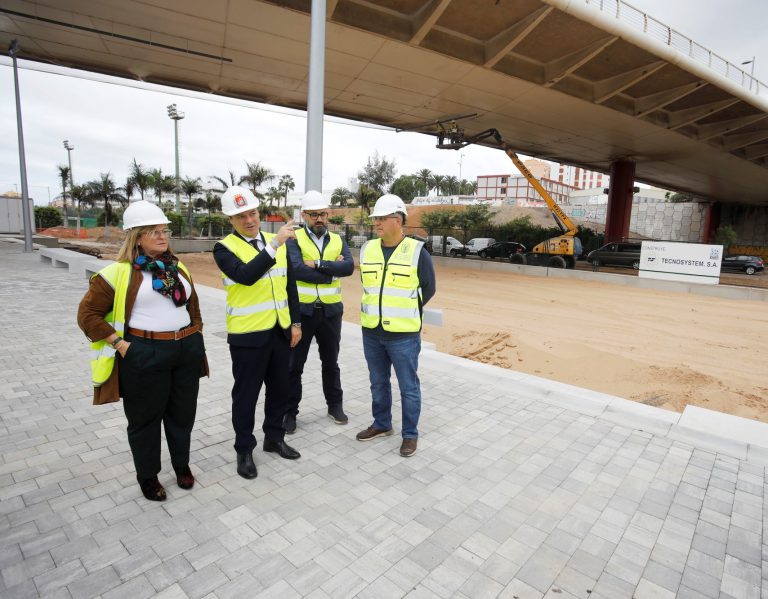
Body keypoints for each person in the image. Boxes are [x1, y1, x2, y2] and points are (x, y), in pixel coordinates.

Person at [77, 200, 208, 501]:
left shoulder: (178, 267)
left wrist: (195, 334)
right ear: (136, 236)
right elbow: (87, 316)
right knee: (145, 420)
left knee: (182, 415)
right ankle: (148, 476)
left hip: (185, 351)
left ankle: (181, 466)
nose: (163, 237)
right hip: (144, 353)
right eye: (154, 232)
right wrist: (120, 345)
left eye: (164, 231)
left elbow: (193, 307)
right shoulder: (115, 273)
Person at [214, 185, 302, 480]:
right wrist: (274, 245)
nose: (249, 220)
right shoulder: (224, 248)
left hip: (279, 331)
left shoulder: (274, 241)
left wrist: (296, 323)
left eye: (252, 212)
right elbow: (246, 276)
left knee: (280, 390)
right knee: (246, 396)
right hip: (248, 337)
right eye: (241, 216)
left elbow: (288, 284)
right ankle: (244, 450)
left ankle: (274, 438)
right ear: (231, 220)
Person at [356, 194, 436, 457]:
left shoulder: (416, 252)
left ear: (398, 220)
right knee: (377, 383)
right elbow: (368, 287)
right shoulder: (368, 249)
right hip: (372, 332)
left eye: (382, 218)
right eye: (375, 219)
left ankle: (410, 435)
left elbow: (428, 288)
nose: (376, 223)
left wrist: (405, 310)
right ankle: (382, 424)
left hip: (403, 335)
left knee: (408, 387)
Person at [284, 190, 354, 433]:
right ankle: (289, 413)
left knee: (331, 363)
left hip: (331, 313)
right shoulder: (294, 238)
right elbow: (296, 270)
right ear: (304, 215)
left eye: (323, 214)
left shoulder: (337, 240)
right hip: (302, 313)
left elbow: (349, 267)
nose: (319, 219)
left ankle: (335, 405)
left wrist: (320, 265)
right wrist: (331, 272)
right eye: (314, 215)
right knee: (294, 366)